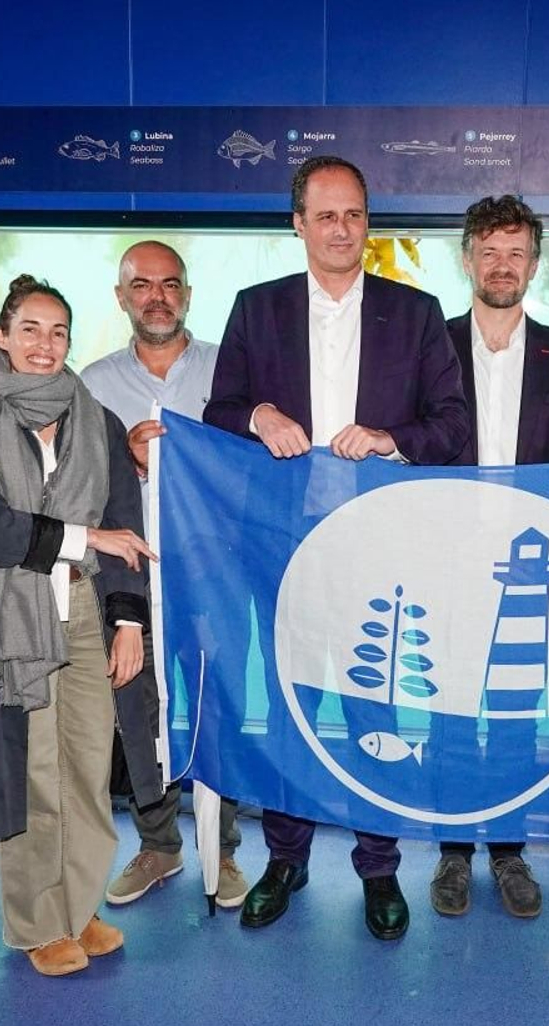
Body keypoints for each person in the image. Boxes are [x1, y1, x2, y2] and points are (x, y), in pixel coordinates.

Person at [204, 155, 469, 941]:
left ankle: (378, 868)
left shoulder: (416, 313)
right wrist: (257, 416)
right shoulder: (256, 309)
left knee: (372, 708)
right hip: (280, 551)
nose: (341, 229)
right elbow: (219, 410)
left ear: (367, 223)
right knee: (290, 709)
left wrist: (391, 438)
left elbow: (453, 426)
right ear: (298, 225)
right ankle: (285, 860)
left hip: (375, 550)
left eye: (354, 214)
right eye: (325, 215)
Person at [0, 275, 162, 977]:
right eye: (30, 329)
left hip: (89, 614)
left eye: (58, 331)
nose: (45, 344)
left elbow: (125, 525)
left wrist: (128, 623)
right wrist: (85, 537)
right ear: (2, 337)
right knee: (32, 774)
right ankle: (39, 923)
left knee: (89, 770)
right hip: (14, 618)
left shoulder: (96, 420)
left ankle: (80, 907)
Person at [428, 195, 549, 921]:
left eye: (516, 253)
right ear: (468, 259)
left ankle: (508, 850)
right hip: (448, 565)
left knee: (515, 715)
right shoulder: (431, 342)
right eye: (490, 252)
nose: (503, 266)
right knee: (450, 716)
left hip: (529, 568)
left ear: (534, 265)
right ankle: (452, 852)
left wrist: (537, 539)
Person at [81, 240, 247, 910]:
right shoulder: (92, 383)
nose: (158, 297)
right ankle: (158, 845)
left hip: (215, 575)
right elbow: (74, 485)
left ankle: (222, 850)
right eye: (143, 285)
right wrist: (121, 456)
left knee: (218, 708)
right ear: (122, 296)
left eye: (170, 284)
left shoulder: (230, 370)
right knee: (137, 713)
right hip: (128, 582)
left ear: (188, 294)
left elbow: (254, 467)